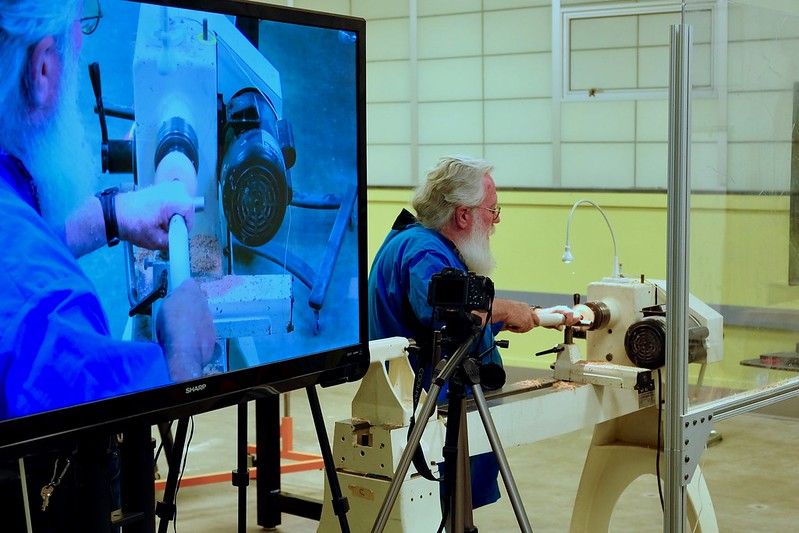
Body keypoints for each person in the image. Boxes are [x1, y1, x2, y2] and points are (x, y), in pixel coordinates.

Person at [0, 1, 215, 530]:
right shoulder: (42, 293)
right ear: (43, 69)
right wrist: (183, 351)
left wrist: (111, 213)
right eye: (78, 40)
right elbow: (95, 410)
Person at [368, 155, 579, 511]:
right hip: (428, 406)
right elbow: (449, 313)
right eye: (492, 212)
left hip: (433, 399)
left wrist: (526, 315)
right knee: (442, 506)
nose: (495, 223)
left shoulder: (426, 244)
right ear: (464, 215)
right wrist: (507, 309)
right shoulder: (422, 251)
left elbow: (458, 299)